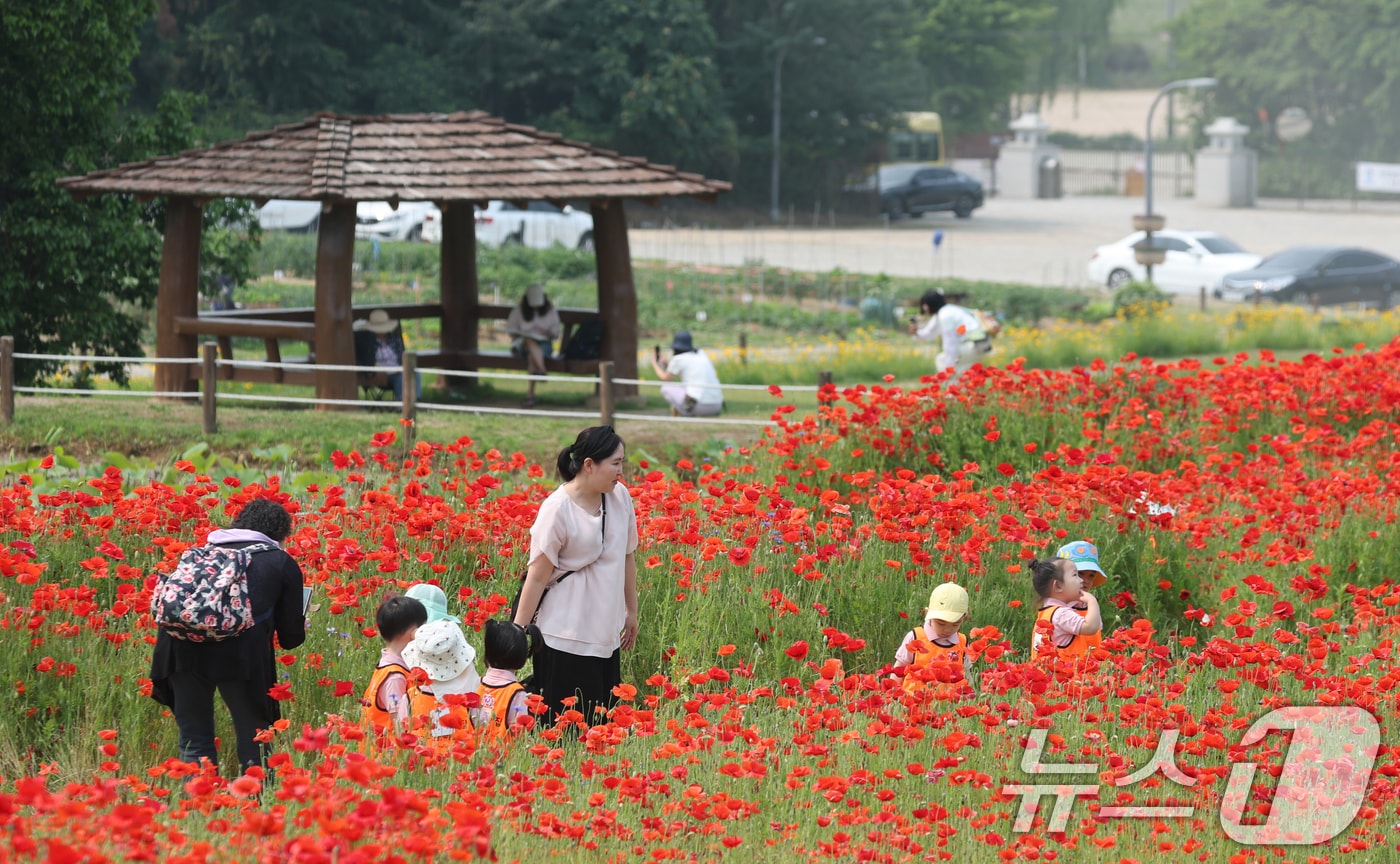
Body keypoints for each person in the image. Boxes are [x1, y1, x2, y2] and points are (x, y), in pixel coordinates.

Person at [149, 498, 307, 772]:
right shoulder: (279, 561)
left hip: (180, 650)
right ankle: (258, 805)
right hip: (240, 657)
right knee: (254, 737)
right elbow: (290, 638)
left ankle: (197, 807)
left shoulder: (198, 554)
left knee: (194, 740)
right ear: (280, 534)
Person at [512, 425, 639, 725]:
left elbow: (627, 555)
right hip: (563, 635)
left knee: (601, 726)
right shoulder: (557, 509)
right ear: (589, 465)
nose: (621, 471)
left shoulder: (619, 497)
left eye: (622, 462)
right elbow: (538, 577)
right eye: (616, 463)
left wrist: (631, 611)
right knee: (560, 727)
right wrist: (516, 632)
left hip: (605, 633)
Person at [361, 595, 428, 748]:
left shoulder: (386, 666)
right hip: (387, 757)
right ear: (414, 633)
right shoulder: (395, 676)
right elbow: (399, 723)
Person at [403, 619, 481, 751]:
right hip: (462, 763)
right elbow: (482, 727)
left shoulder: (410, 697)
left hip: (421, 764)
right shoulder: (470, 697)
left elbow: (402, 730)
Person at [892, 583, 973, 699]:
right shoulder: (915, 637)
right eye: (941, 623)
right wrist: (891, 696)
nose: (947, 630)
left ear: (964, 618)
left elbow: (967, 675)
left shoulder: (962, 641)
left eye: (955, 624)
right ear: (928, 613)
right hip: (914, 704)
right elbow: (898, 669)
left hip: (948, 707)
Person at [473, 619, 542, 743]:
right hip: (501, 757)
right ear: (522, 658)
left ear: (488, 653)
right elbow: (520, 731)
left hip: (471, 754)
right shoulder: (517, 693)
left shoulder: (475, 683)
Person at [1031, 556, 1103, 664]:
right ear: (1058, 586)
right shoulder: (1061, 615)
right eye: (1075, 575)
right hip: (1071, 677)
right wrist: (1092, 602)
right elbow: (1091, 627)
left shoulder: (1049, 612)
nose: (1081, 580)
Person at [909, 289, 991, 379]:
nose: (924, 309)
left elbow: (950, 344)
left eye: (924, 305)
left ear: (928, 304)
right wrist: (916, 333)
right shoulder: (948, 310)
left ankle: (952, 390)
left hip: (973, 345)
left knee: (943, 362)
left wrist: (949, 368)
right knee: (958, 371)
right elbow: (929, 334)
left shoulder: (945, 316)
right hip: (981, 344)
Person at [506, 284, 562, 408]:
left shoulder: (550, 310)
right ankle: (542, 370)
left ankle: (530, 396)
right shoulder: (519, 310)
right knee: (529, 341)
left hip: (544, 345)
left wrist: (546, 332)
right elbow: (511, 330)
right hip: (522, 346)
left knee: (532, 357)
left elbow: (556, 332)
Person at [650, 330, 723, 417]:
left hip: (699, 406)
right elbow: (688, 374)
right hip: (717, 405)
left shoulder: (678, 359)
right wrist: (668, 365)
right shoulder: (701, 354)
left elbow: (665, 378)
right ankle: (688, 411)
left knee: (666, 389)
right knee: (685, 387)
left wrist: (654, 363)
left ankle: (687, 412)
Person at [358, 308, 421, 401]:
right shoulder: (368, 342)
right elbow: (368, 359)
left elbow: (401, 354)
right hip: (380, 371)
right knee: (400, 376)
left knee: (414, 373)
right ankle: (403, 402)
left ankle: (415, 400)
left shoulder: (394, 339)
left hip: (397, 367)